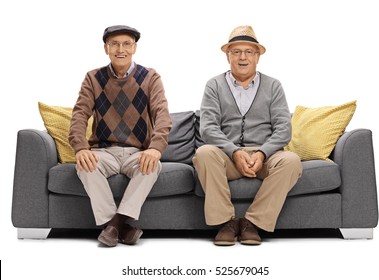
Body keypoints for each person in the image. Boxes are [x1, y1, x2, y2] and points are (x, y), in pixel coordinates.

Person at [193, 25, 302, 246]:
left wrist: (262, 153)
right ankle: (226, 223)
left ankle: (251, 223)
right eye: (236, 52)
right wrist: (234, 152)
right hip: (228, 157)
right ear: (228, 56)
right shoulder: (214, 85)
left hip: (265, 157)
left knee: (291, 161)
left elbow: (284, 129)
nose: (243, 57)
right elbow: (208, 128)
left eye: (249, 52)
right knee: (204, 153)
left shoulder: (273, 86)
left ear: (257, 56)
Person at [69, 25, 172, 247]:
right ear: (106, 48)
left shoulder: (150, 77)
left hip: (138, 152)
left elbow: (162, 115)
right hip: (103, 151)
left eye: (126, 44)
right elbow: (79, 115)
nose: (120, 49)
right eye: (114, 44)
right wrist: (81, 148)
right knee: (85, 166)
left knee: (151, 166)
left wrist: (155, 148)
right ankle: (121, 227)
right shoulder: (93, 78)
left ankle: (114, 225)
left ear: (134, 47)